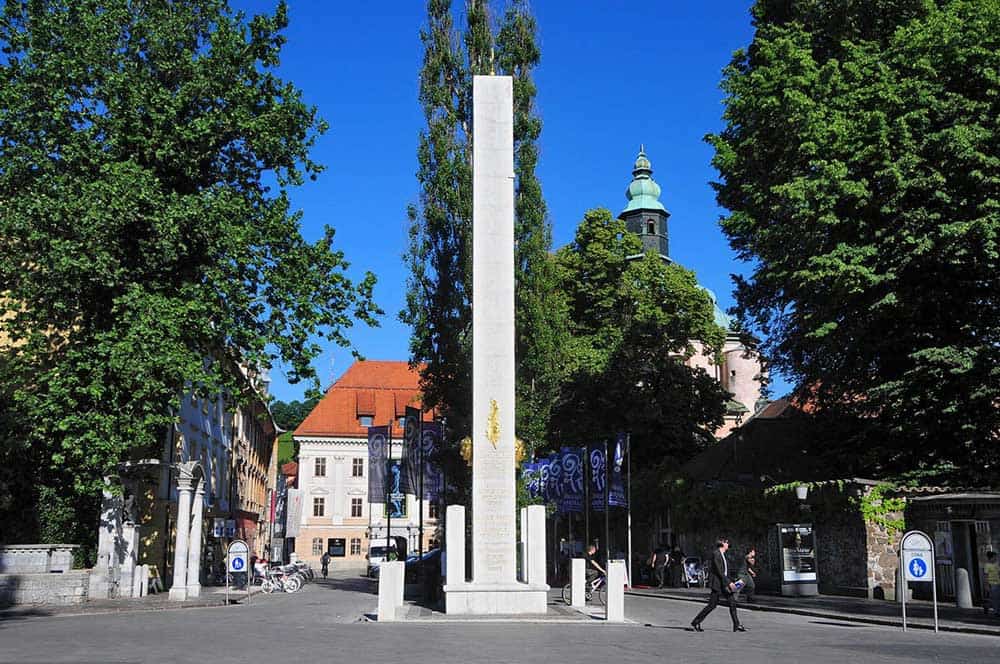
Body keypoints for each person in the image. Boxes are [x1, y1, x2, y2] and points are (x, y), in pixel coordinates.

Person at [691, 537, 745, 633]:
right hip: (717, 584)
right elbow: (719, 571)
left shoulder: (724, 555)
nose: (728, 545)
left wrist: (732, 581)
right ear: (723, 543)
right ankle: (696, 622)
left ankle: (736, 624)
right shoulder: (716, 554)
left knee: (732, 603)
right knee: (712, 605)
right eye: (727, 542)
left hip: (724, 584)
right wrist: (729, 583)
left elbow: (725, 571)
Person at [984, 550, 1000, 618]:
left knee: (996, 598)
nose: (996, 558)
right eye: (995, 557)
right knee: (995, 598)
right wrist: (986, 585)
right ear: (991, 557)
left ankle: (986, 606)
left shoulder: (996, 564)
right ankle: (996, 612)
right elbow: (985, 575)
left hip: (998, 582)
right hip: (992, 583)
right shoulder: (987, 565)